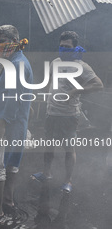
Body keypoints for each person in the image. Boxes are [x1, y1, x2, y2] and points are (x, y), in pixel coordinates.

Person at [32, 31, 103, 193]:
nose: (63, 49)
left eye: (67, 47)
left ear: (74, 47)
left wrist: (75, 91)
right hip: (52, 112)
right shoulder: (55, 62)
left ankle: (68, 181)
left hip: (69, 115)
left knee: (68, 149)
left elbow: (98, 85)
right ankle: (46, 173)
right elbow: (51, 82)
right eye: (61, 46)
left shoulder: (81, 66)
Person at [0, 25, 33, 218]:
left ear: (13, 41)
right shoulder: (19, 61)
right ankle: (7, 200)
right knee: (10, 164)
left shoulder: (16, 65)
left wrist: (0, 127)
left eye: (2, 41)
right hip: (16, 125)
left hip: (6, 124)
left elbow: (12, 101)